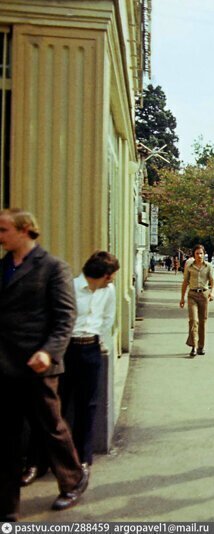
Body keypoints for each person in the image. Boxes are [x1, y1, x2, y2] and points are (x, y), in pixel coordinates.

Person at [0, 209, 89, 520]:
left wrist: (49, 352)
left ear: (25, 230)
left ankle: (73, 479)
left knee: (50, 427)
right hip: (5, 364)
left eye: (4, 229)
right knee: (8, 435)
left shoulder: (52, 267)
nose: (0, 236)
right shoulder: (3, 268)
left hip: (38, 365)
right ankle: (8, 506)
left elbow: (66, 317)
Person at [58, 251, 119, 476]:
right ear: (101, 274)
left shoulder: (109, 291)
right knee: (59, 405)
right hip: (67, 350)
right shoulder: (71, 288)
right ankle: (51, 458)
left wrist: (99, 340)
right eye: (110, 274)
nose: (112, 279)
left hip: (91, 349)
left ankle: (83, 457)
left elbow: (107, 318)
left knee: (88, 404)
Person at [179, 245, 214, 357]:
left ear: (204, 254)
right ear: (193, 255)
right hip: (192, 295)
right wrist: (182, 298)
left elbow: (213, 281)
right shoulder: (189, 266)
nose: (199, 255)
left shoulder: (209, 266)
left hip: (204, 295)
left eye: (201, 253)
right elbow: (185, 282)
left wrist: (212, 292)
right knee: (193, 320)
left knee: (203, 322)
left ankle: (201, 346)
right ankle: (194, 346)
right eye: (197, 253)